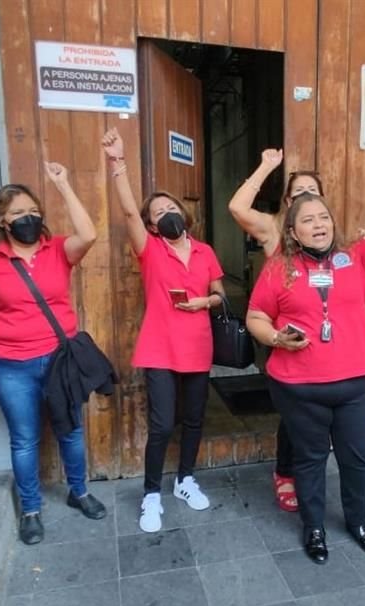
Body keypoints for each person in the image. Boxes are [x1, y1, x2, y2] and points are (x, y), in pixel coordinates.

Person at [246, 162, 365, 564]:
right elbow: (256, 317)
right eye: (308, 220)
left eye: (323, 217)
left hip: (355, 384)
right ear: (292, 232)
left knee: (356, 458)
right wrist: (276, 338)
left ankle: (358, 522)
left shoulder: (356, 257)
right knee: (310, 459)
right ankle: (314, 527)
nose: (319, 224)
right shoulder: (279, 268)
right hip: (300, 387)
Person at [0, 165, 107, 546]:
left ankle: (79, 491)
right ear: (1, 221)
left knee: (71, 431)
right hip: (10, 366)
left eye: (33, 211)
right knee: (24, 440)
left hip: (59, 362)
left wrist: (63, 184)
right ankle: (30, 510)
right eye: (18, 213)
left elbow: (89, 234)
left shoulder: (57, 249)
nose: (28, 218)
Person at [102, 128, 225, 534]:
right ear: (152, 226)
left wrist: (205, 302)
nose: (166, 213)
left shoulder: (205, 251)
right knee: (161, 424)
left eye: (170, 207)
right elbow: (127, 212)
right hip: (159, 348)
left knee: (194, 419)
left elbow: (220, 293)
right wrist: (118, 163)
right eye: (157, 213)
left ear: (182, 213)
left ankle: (185, 480)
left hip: (198, 346)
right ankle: (151, 494)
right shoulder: (150, 249)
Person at [228, 150, 326, 513]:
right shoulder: (273, 229)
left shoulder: (326, 230)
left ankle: (308, 471)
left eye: (312, 191)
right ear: (287, 201)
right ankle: (286, 472)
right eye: (298, 192)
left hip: (324, 339)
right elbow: (237, 207)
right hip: (286, 337)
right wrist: (266, 167)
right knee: (295, 413)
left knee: (318, 412)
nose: (305, 197)